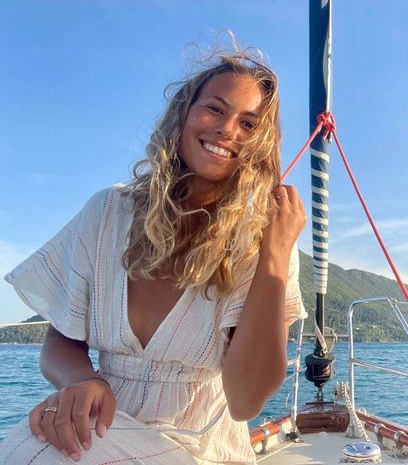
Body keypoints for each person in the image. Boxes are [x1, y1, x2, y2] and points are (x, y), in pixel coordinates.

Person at [0, 49, 306, 464]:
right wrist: (84, 382)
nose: (227, 129)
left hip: (199, 446)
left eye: (248, 123)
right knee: (28, 445)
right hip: (105, 421)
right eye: (215, 109)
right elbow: (58, 344)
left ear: (261, 143)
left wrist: (275, 253)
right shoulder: (108, 213)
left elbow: (246, 402)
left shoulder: (260, 238)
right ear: (183, 114)